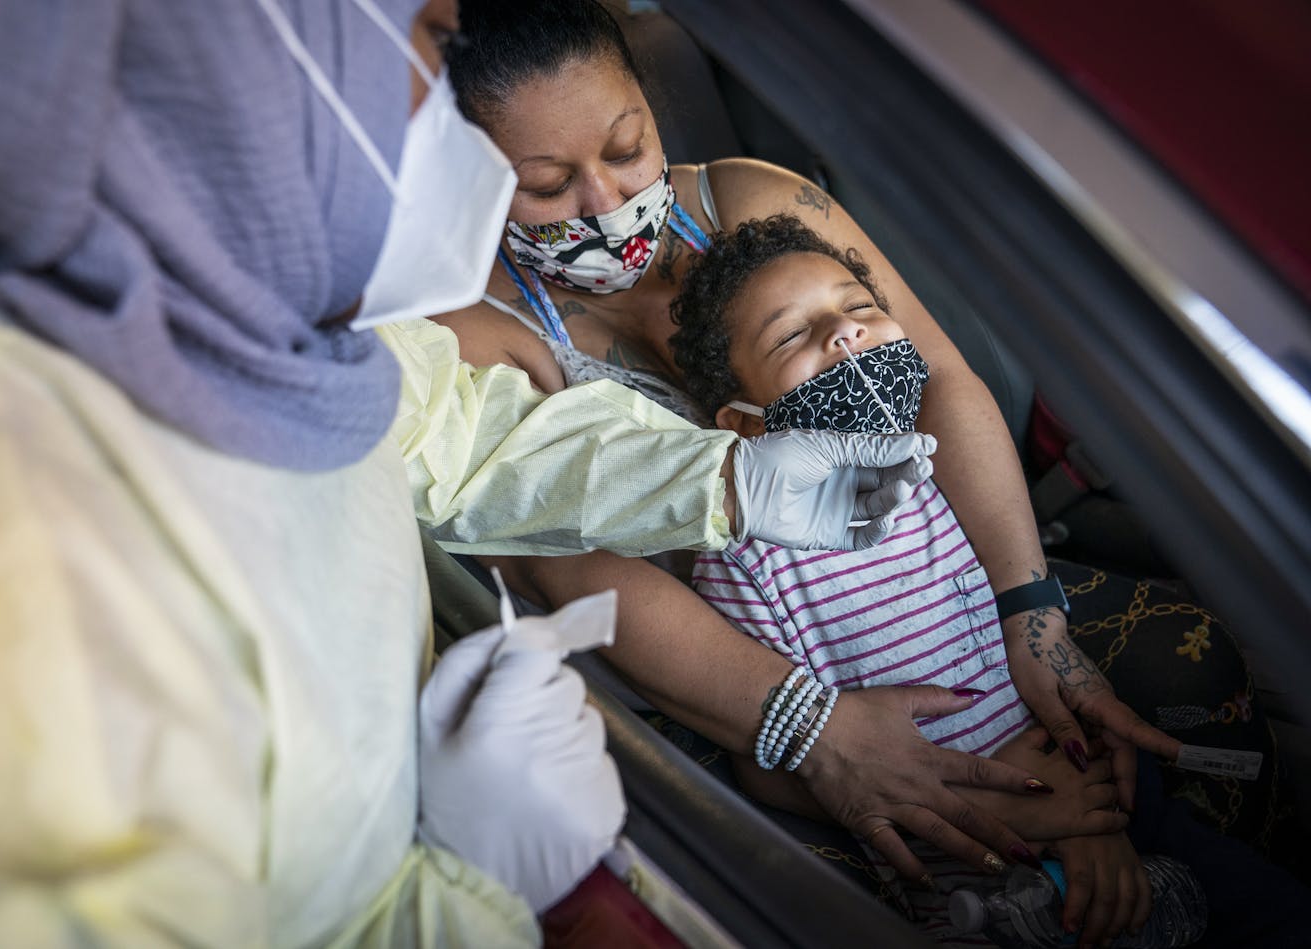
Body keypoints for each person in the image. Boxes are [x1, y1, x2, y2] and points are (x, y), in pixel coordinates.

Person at [0, 0, 945, 945]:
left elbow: (471, 442)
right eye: (428, 41)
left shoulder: (260, 308)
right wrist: (469, 895)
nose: (448, 121)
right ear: (258, 75)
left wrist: (724, 479)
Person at [435, 0, 1286, 925]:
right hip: (736, 665)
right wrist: (818, 736)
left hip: (924, 582)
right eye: (547, 184)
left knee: (1176, 716)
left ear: (647, 100)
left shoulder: (754, 202)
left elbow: (939, 379)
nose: (604, 201)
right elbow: (584, 572)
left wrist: (1027, 611)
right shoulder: (477, 341)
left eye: (627, 145)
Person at [669, 212, 1309, 947]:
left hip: (1101, 786)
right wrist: (1013, 807)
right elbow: (772, 761)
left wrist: (1086, 805)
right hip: (971, 861)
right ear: (745, 426)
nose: (843, 336)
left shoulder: (937, 469)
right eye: (791, 335)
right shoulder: (746, 558)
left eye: (860, 308)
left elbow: (1023, 625)